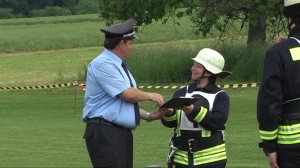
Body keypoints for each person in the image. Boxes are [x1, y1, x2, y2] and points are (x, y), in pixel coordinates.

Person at [82, 18, 169, 168]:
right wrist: (150, 95)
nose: (132, 47)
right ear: (121, 43)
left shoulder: (117, 65)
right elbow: (127, 94)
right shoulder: (103, 64)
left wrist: (149, 116)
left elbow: (122, 104)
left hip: (117, 132)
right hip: (105, 132)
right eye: (130, 43)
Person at [161, 48, 232, 168]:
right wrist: (168, 113)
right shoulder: (181, 92)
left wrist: (193, 111)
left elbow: (218, 121)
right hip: (182, 159)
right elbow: (172, 123)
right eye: (193, 65)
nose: (192, 68)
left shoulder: (220, 96)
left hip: (212, 160)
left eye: (197, 66)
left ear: (209, 72)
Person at [257, 1, 300, 168]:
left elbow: (269, 102)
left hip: (293, 144)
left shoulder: (278, 53)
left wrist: (269, 146)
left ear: (290, 20)